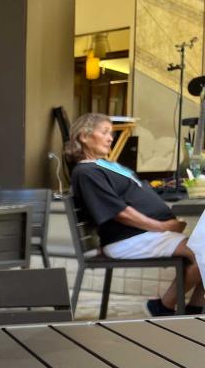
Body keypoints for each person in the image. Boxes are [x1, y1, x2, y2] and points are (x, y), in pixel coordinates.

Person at [66, 112, 204, 317]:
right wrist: (162, 226)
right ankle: (164, 307)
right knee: (200, 252)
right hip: (129, 239)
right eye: (104, 132)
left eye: (111, 133)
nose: (110, 137)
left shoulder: (105, 166)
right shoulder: (86, 172)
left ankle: (193, 308)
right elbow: (119, 212)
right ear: (84, 137)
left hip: (143, 235)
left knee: (202, 248)